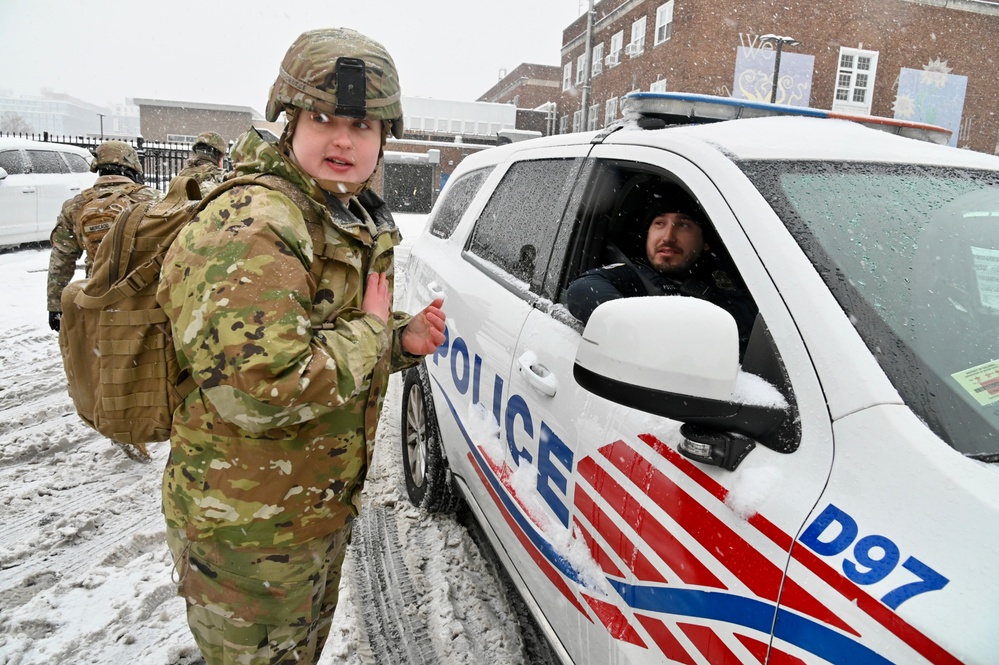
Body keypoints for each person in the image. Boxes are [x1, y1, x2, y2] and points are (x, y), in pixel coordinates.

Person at [155, 27, 446, 665]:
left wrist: (398, 337)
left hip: (303, 520)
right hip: (248, 540)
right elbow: (262, 391)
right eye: (323, 117)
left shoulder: (330, 210)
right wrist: (374, 332)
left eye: (363, 126)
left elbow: (313, 332)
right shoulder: (258, 222)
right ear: (289, 120)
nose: (344, 139)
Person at [566, 183, 758, 354]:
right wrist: (637, 331)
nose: (668, 237)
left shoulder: (739, 278)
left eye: (683, 224)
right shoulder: (632, 278)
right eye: (659, 223)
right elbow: (583, 288)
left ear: (706, 241)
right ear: (647, 234)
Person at [46, 140, 161, 331]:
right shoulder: (154, 199)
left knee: (100, 352)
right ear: (132, 165)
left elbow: (62, 257)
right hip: (144, 296)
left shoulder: (76, 204)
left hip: (95, 294)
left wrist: (55, 304)